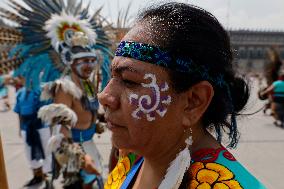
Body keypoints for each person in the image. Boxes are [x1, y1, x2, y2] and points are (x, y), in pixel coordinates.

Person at [99, 2, 266, 189]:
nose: (104, 96)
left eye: (130, 81)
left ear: (194, 101)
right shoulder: (131, 157)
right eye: (112, 76)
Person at [13, 76, 52, 187]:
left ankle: (48, 179)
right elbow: (19, 113)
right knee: (29, 153)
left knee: (46, 153)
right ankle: (37, 176)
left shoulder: (41, 91)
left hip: (41, 126)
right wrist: (20, 128)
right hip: (26, 128)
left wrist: (50, 128)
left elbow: (48, 111)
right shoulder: (20, 93)